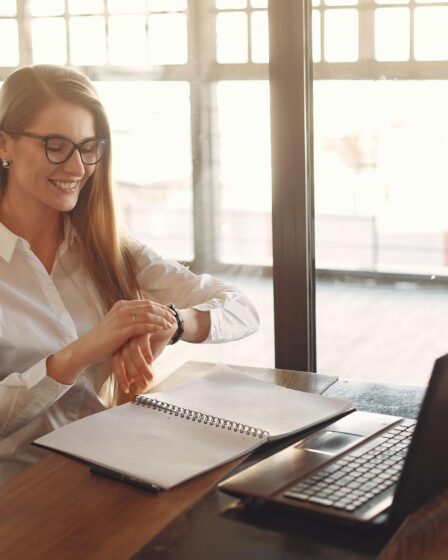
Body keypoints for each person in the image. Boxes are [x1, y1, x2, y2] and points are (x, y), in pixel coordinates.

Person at [0, 64, 259, 485]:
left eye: (88, 148)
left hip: (106, 473)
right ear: (3, 145)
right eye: (55, 145)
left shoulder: (106, 247)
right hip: (17, 497)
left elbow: (241, 308)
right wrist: (78, 354)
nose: (77, 166)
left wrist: (170, 324)